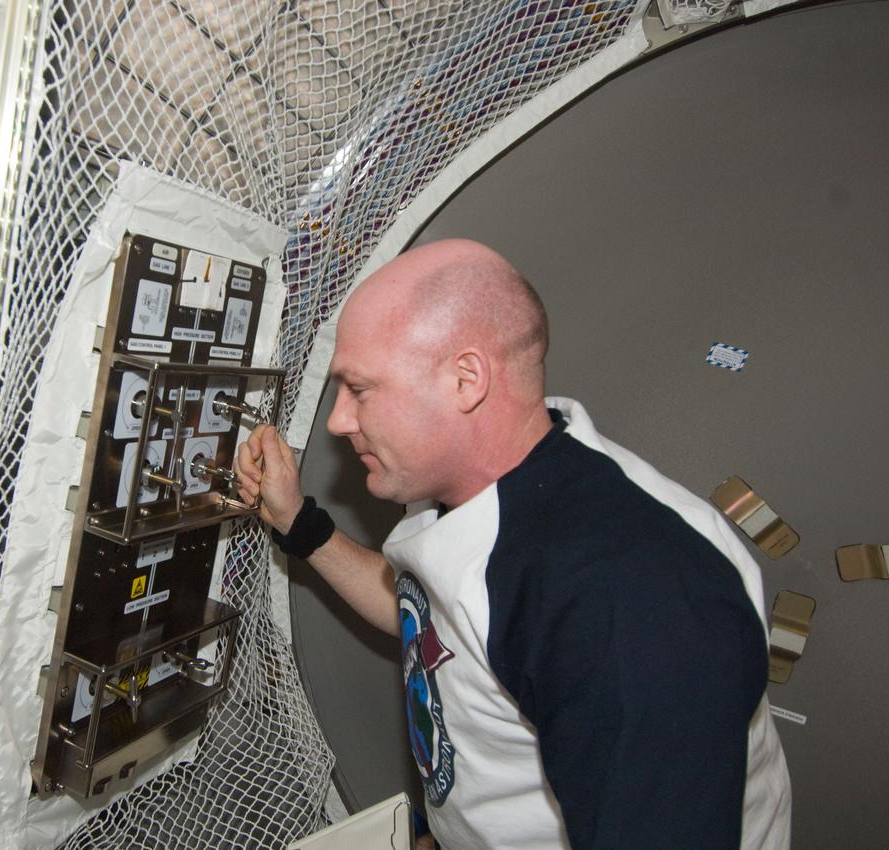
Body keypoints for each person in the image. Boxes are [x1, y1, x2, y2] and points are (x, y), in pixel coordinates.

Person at [235, 239, 792, 849]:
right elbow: (434, 623)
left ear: (466, 379)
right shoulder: (479, 490)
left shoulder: (630, 592)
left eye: (360, 389)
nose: (339, 420)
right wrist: (297, 524)